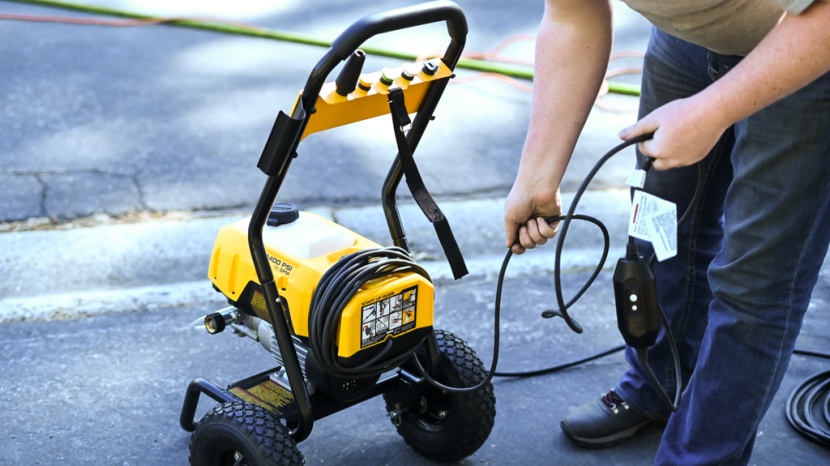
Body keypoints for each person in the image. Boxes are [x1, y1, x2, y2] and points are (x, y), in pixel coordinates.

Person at [503, 0, 830, 464]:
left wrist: (713, 111)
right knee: (657, 231)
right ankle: (656, 386)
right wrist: (538, 176)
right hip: (685, 42)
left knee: (753, 281)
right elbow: (571, 17)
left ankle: (697, 457)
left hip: (806, 45)